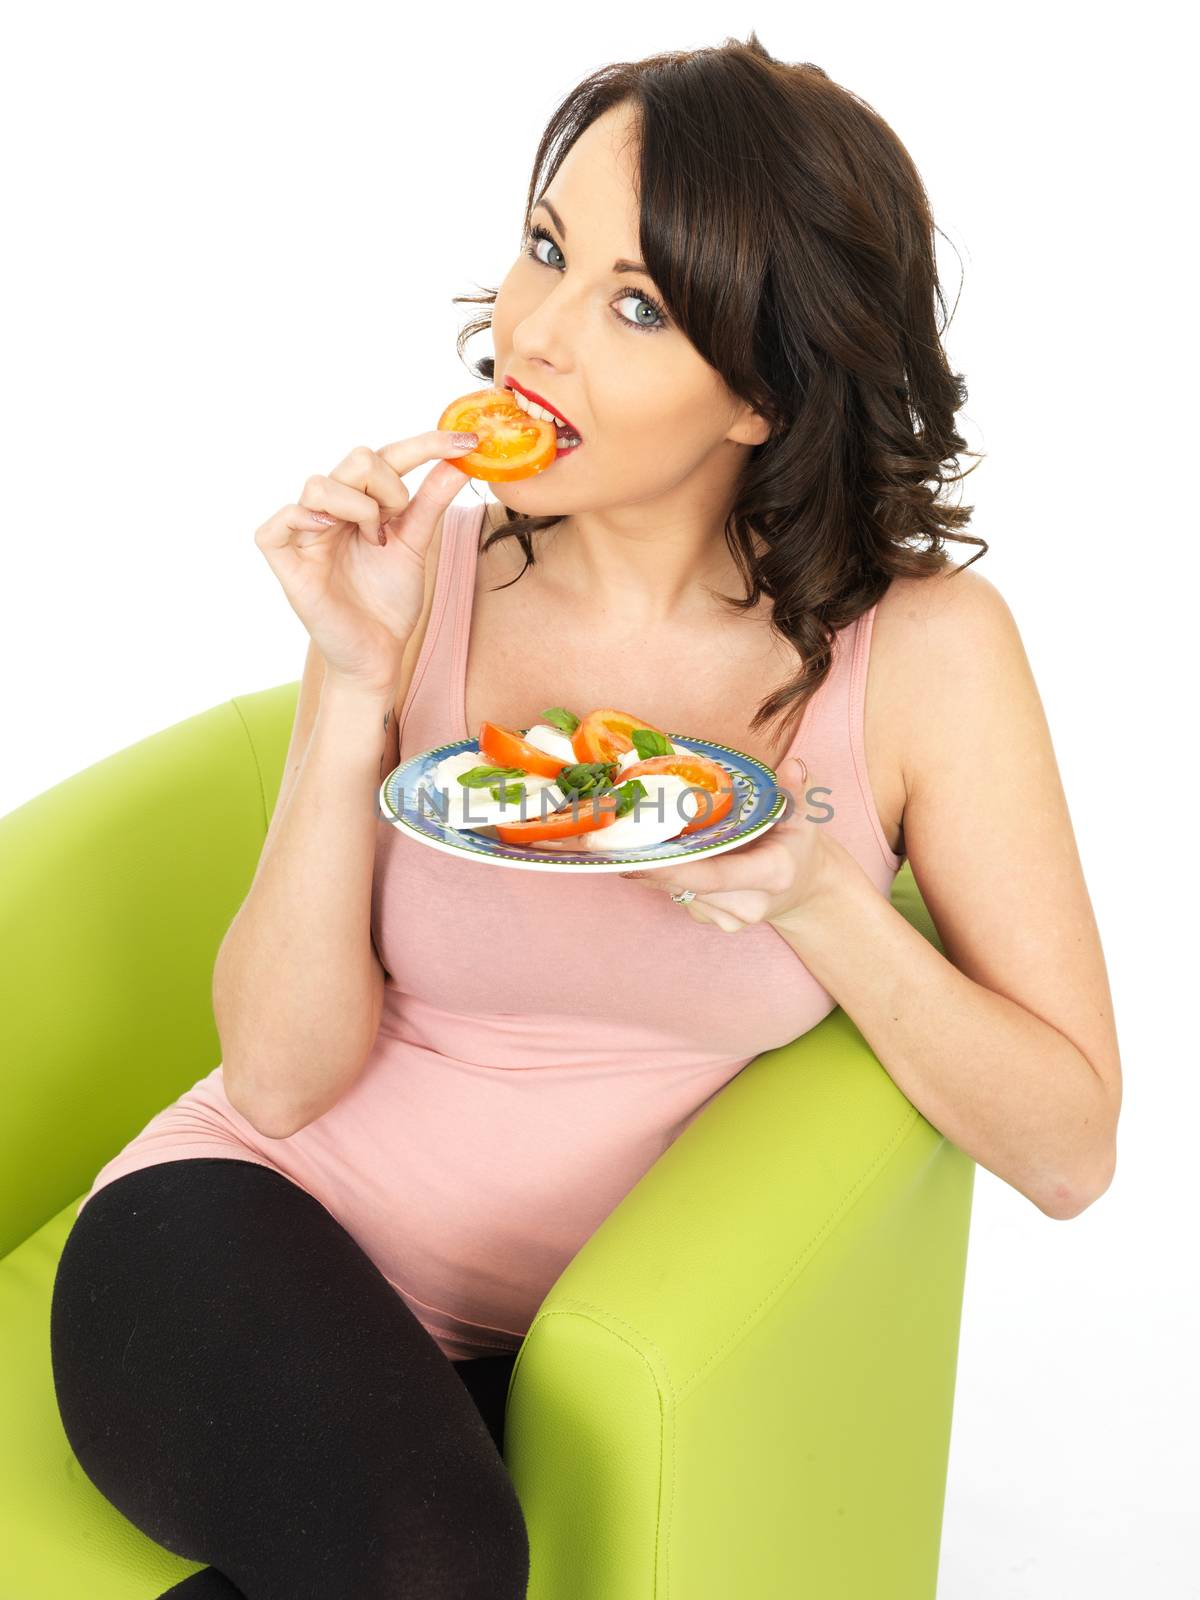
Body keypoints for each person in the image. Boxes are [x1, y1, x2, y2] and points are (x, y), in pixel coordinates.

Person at [50, 31, 1123, 1600]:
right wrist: (351, 679)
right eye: (546, 247)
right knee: (440, 1564)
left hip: (556, 1347)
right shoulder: (426, 575)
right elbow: (277, 1085)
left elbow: (1071, 1150)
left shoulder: (928, 654)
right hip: (239, 1232)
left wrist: (822, 901)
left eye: (633, 305)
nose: (532, 333)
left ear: (760, 393)